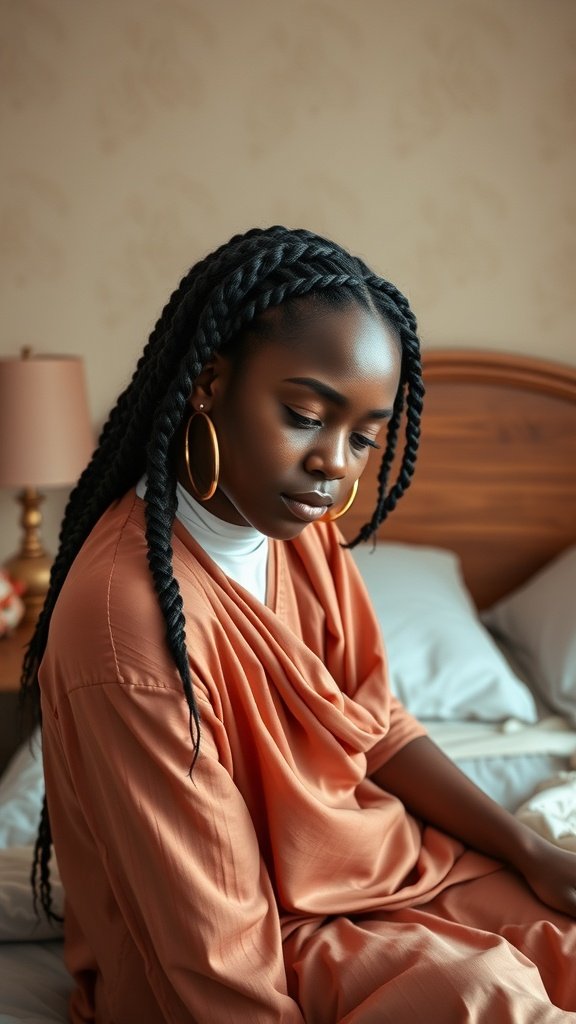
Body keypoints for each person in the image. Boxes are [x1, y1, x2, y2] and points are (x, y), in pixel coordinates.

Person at [22, 226, 576, 1023]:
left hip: (384, 871)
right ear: (209, 383)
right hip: (265, 934)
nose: (335, 466)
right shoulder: (127, 628)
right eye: (305, 414)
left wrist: (530, 850)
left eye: (363, 437)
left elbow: (376, 725)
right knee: (489, 997)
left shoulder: (299, 531)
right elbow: (211, 955)